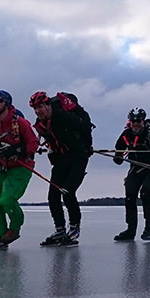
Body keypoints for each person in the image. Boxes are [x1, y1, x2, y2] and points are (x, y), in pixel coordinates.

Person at [0, 90, 40, 249]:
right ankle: (1, 232)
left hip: (21, 167)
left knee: (7, 200)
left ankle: (14, 230)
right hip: (3, 167)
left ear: (7, 104)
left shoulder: (20, 123)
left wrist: (16, 150)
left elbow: (33, 143)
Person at [29, 91, 92, 246]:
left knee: (68, 192)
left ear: (48, 105)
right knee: (53, 195)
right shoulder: (41, 123)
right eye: (35, 108)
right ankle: (59, 230)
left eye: (40, 107)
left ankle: (74, 229)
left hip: (78, 156)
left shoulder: (64, 116)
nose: (38, 111)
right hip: (61, 159)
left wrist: (88, 146)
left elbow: (85, 126)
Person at [112, 108, 150, 241]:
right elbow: (119, 149)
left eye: (138, 121)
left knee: (145, 192)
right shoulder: (126, 134)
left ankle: (149, 229)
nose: (136, 124)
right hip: (136, 168)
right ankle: (130, 230)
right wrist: (117, 157)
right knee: (130, 196)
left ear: (143, 120)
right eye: (133, 121)